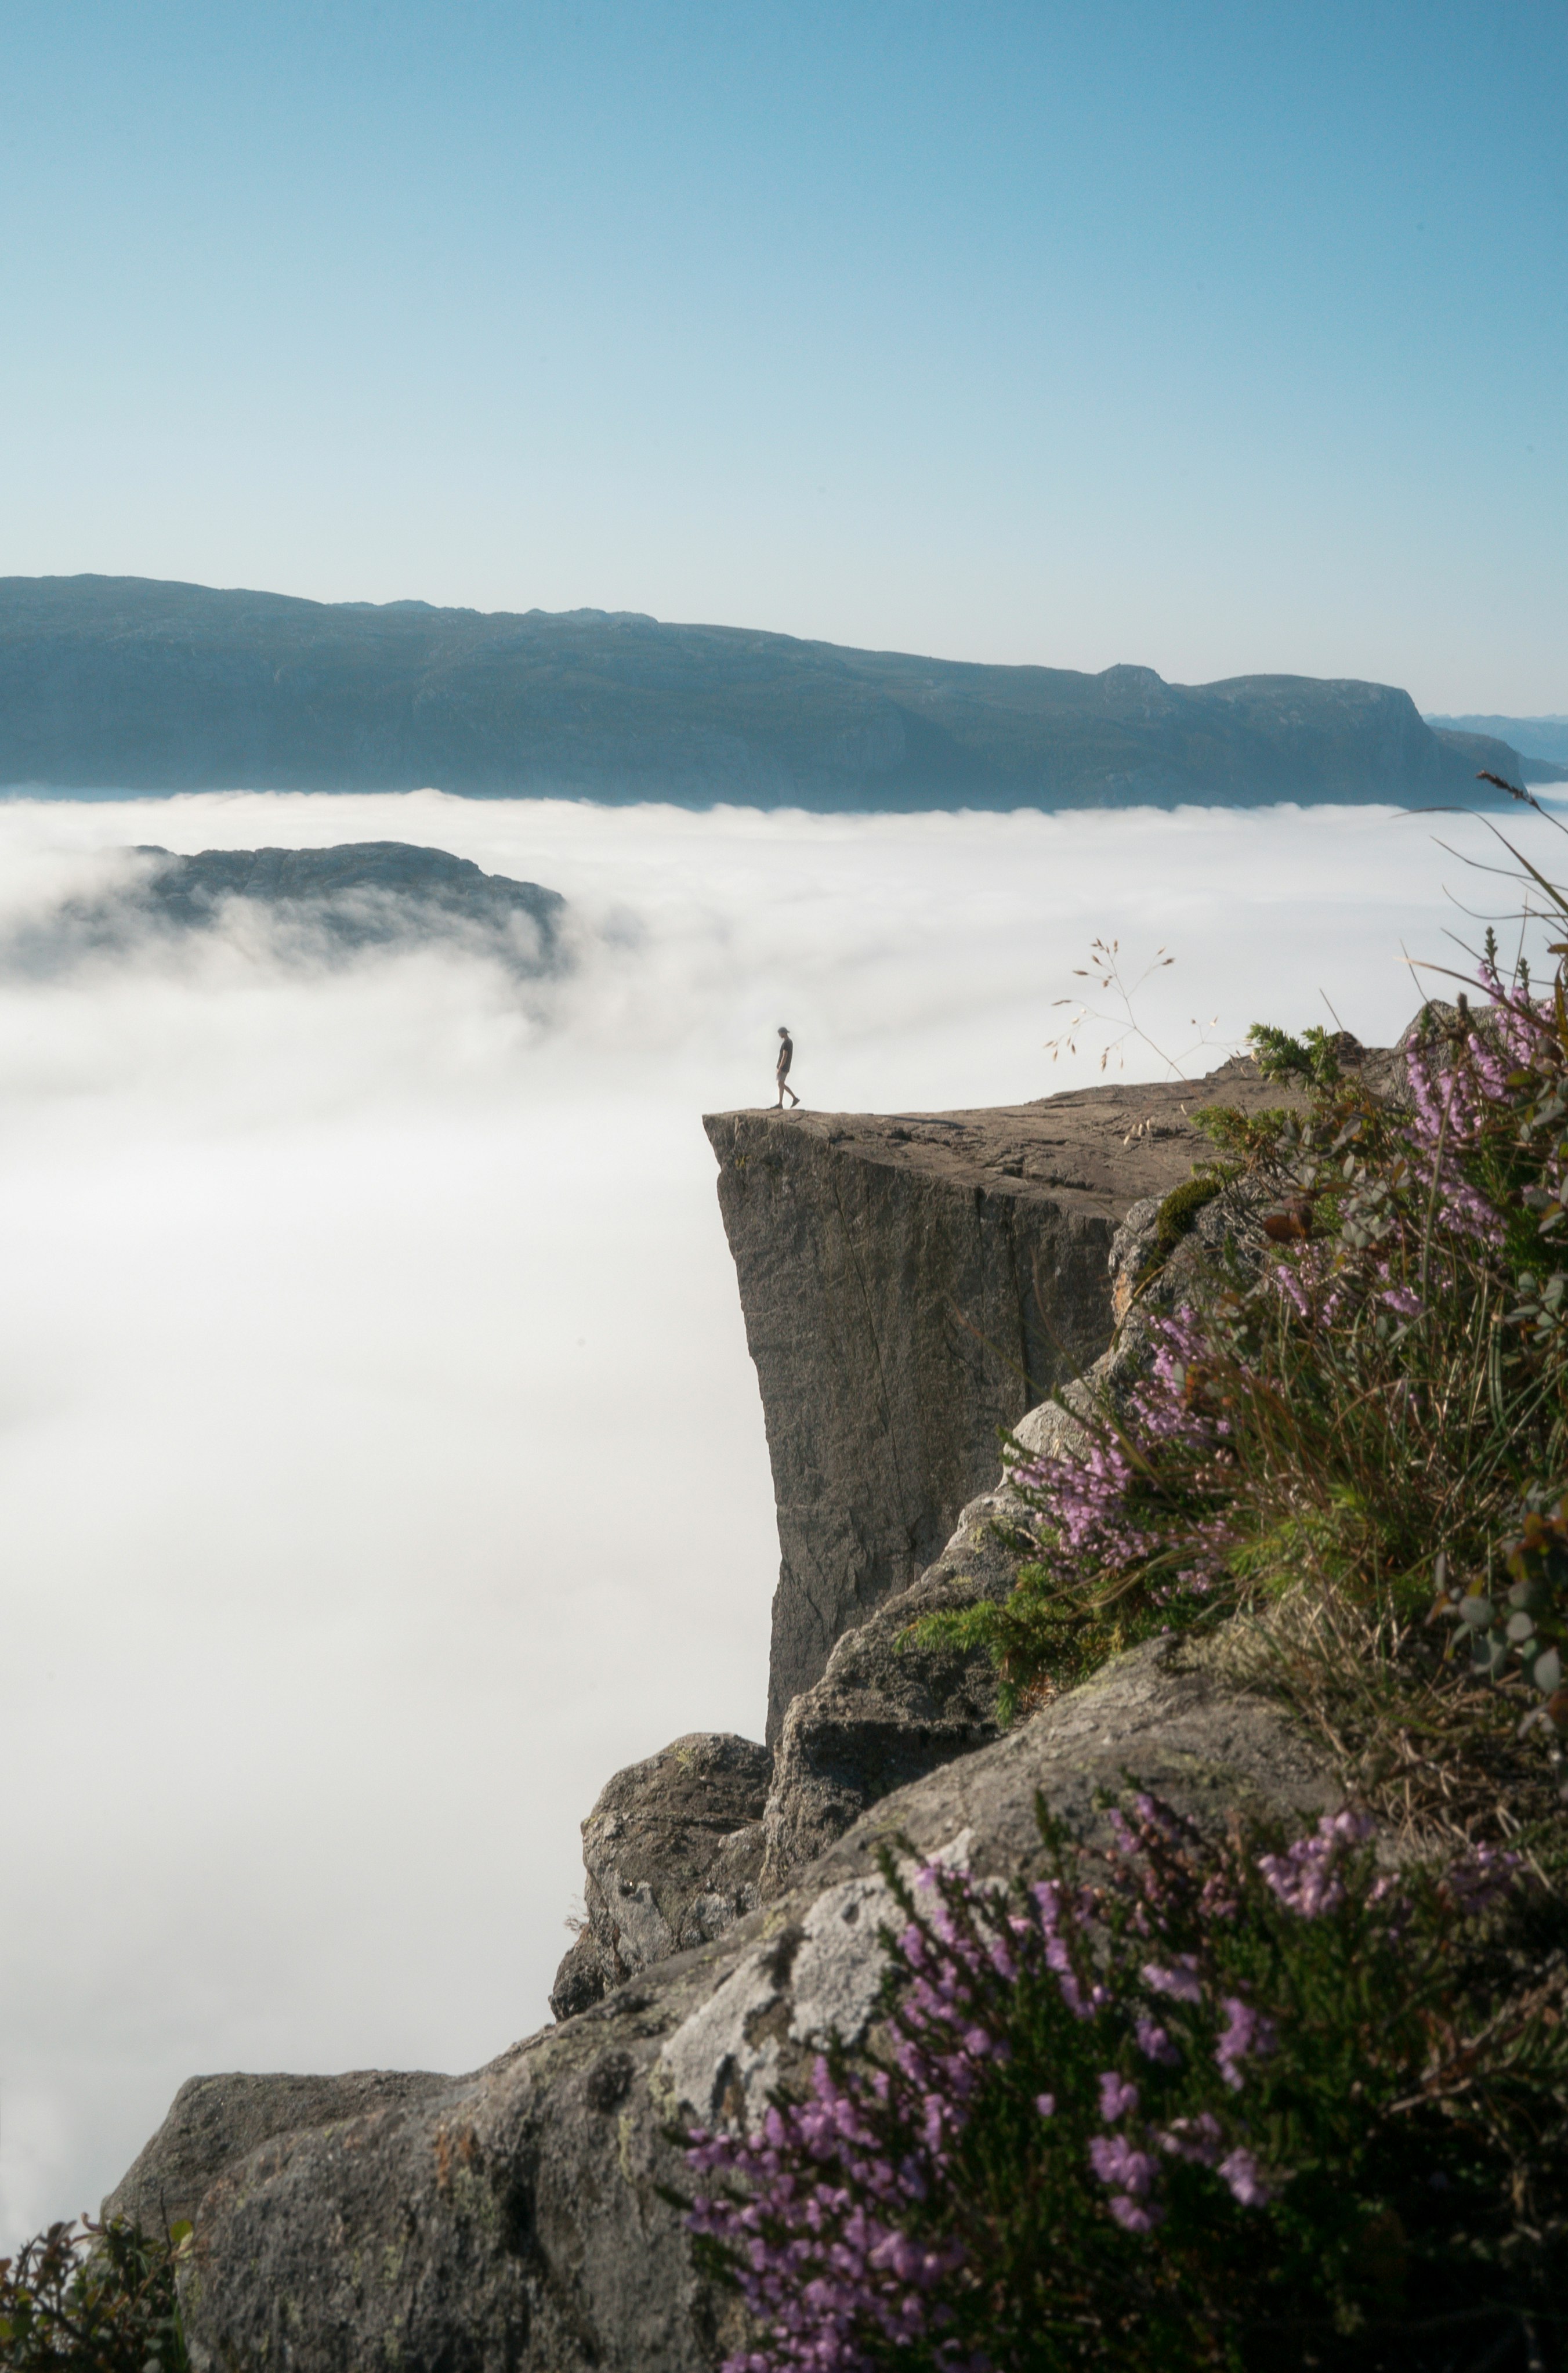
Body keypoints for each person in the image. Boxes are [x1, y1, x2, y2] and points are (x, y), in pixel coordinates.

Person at [775, 1025, 800, 1109]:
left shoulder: (786, 1043)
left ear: (783, 1033)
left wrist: (780, 1068)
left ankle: (793, 1099)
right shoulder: (790, 1042)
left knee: (781, 1084)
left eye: (780, 1033)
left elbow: (784, 1056)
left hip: (784, 1067)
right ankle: (781, 1103)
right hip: (786, 1067)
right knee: (780, 1084)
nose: (779, 1035)